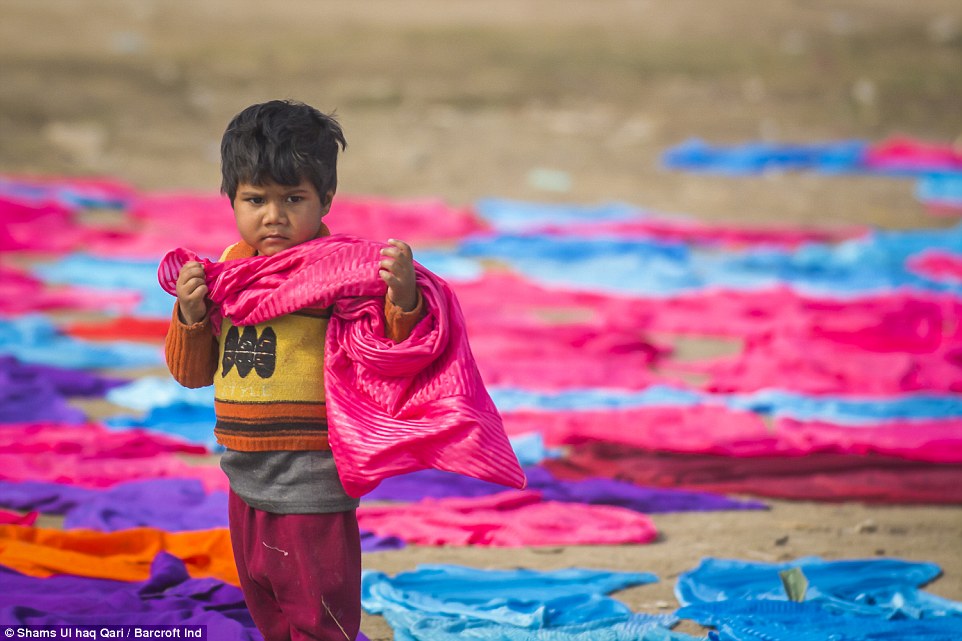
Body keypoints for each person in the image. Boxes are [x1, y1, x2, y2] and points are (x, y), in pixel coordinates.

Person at [164, 99, 422, 641]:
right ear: (230, 199)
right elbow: (193, 374)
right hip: (243, 474)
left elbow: (389, 353)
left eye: (293, 199)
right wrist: (190, 315)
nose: (273, 215)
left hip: (312, 478)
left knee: (318, 615)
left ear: (325, 198)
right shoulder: (228, 272)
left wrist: (402, 294)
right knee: (268, 606)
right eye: (255, 199)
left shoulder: (340, 271)